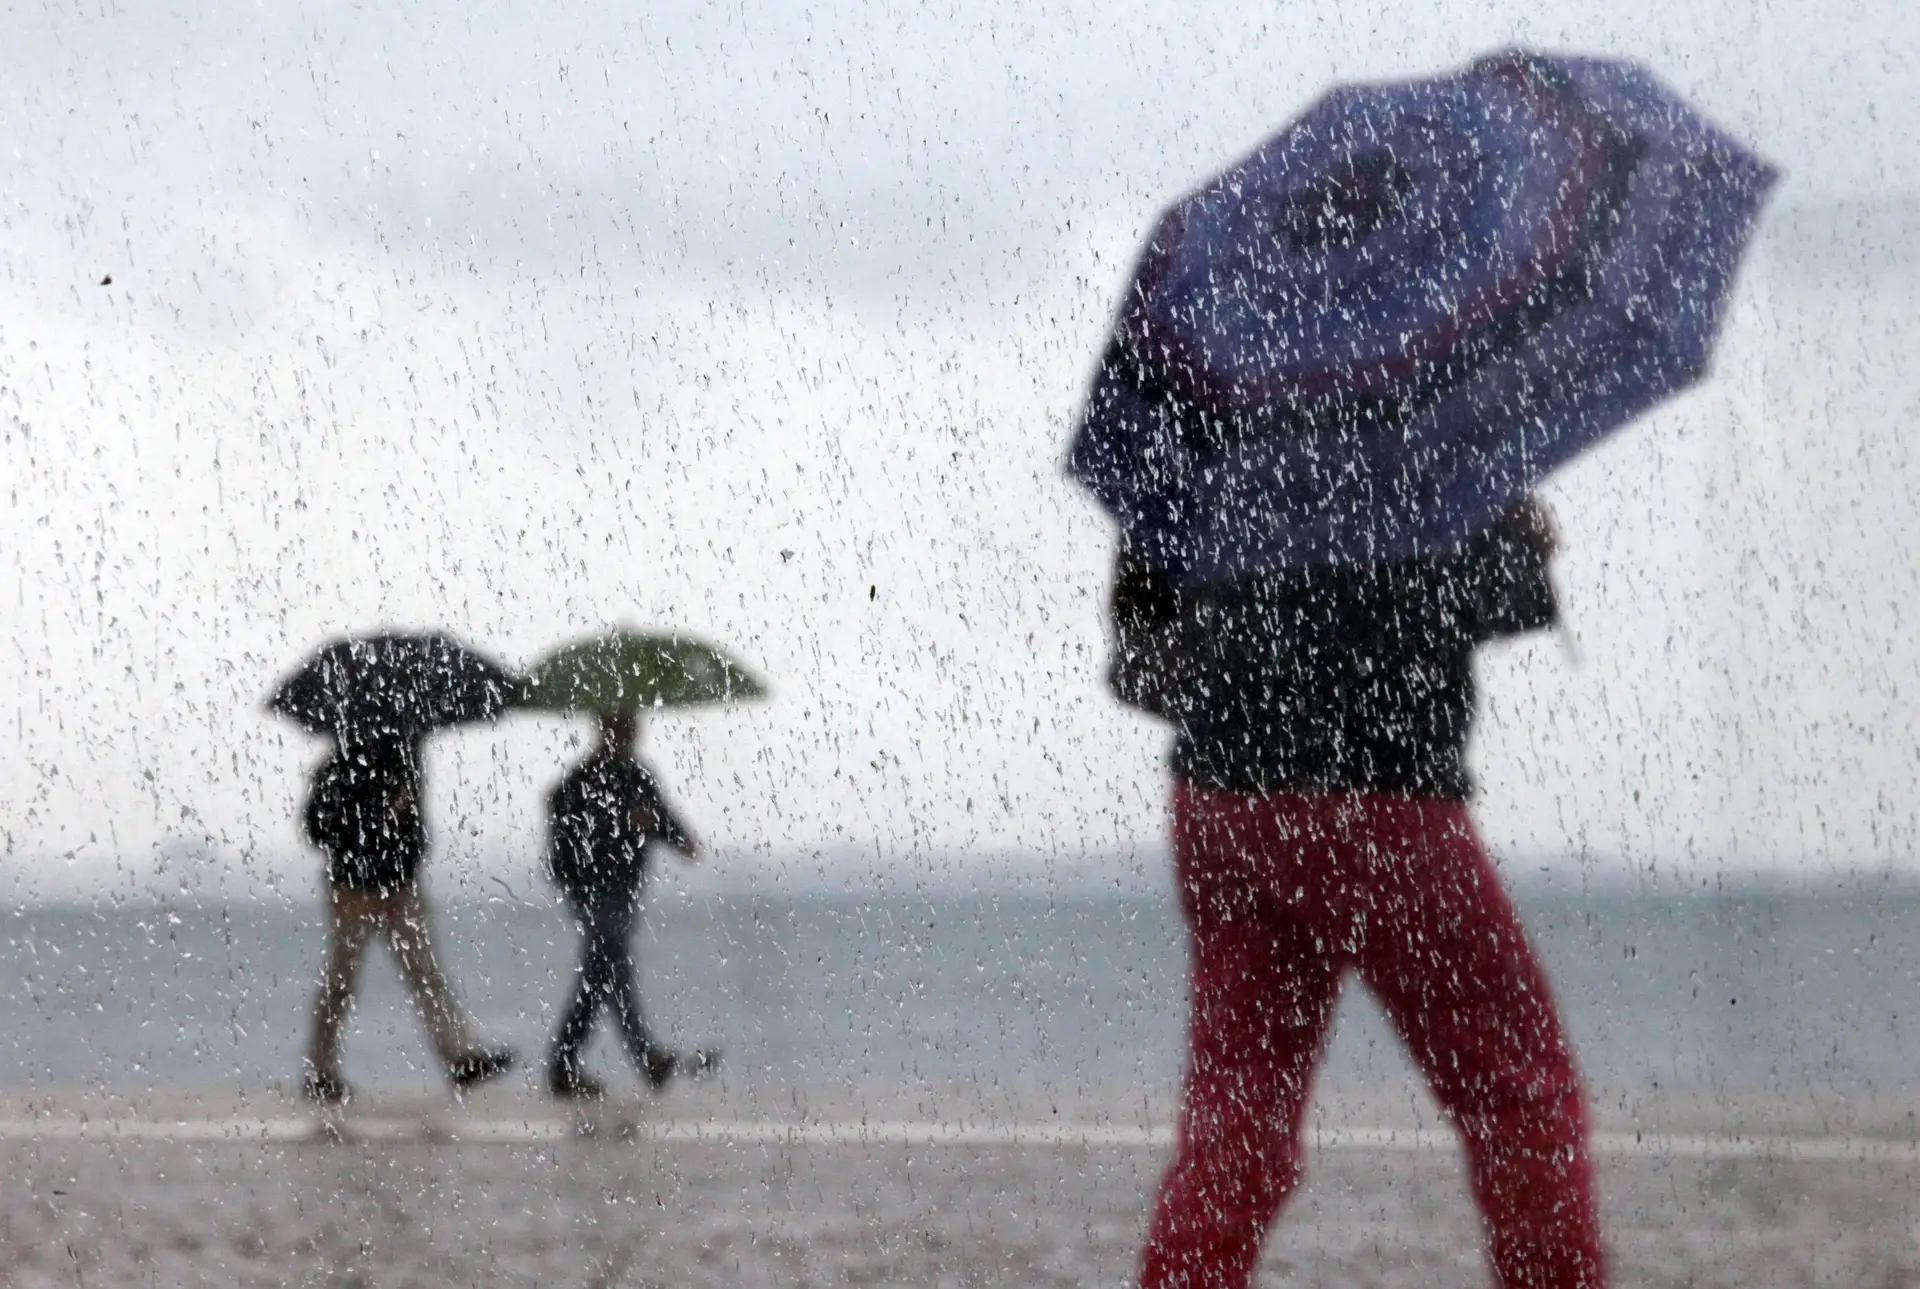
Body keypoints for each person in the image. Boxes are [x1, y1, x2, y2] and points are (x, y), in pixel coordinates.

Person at [1117, 500, 1607, 1289]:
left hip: (1221, 802)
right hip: (1384, 804)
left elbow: (1142, 653)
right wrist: (1522, 538)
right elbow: (1488, 601)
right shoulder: (1417, 405)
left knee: (1236, 1127)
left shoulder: (1204, 406)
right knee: (1521, 1095)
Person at [302, 738, 516, 1105]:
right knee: (342, 981)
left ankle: (459, 1057)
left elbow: (416, 835)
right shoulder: (337, 768)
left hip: (397, 887)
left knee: (424, 974)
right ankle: (320, 1070)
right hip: (353, 889)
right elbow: (316, 829)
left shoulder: (404, 763)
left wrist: (402, 823)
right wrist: (369, 817)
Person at [545, 709, 713, 1099]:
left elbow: (660, 818)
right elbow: (569, 832)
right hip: (592, 890)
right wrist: (626, 821)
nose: (631, 733)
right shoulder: (581, 780)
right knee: (605, 970)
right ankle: (617, 1059)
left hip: (623, 888)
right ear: (606, 729)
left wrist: (674, 836)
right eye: (623, 726)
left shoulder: (636, 776)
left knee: (606, 972)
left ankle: (606, 1061)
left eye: (631, 726)